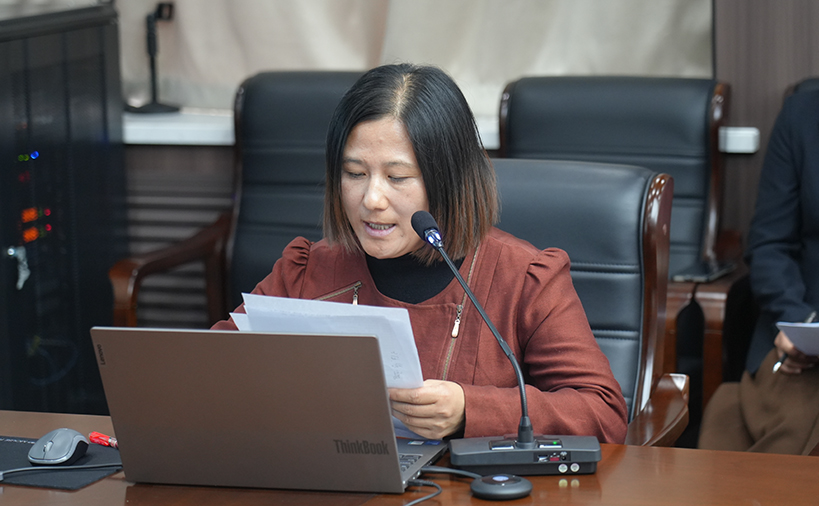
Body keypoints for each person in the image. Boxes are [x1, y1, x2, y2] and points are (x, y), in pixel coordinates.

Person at [212, 63, 627, 443]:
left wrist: (471, 409)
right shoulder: (306, 270)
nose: (371, 199)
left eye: (397, 177)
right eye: (355, 173)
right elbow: (208, 372)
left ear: (449, 180)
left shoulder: (525, 278)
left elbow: (604, 414)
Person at [698, 70, 819, 454]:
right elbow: (770, 243)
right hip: (807, 332)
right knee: (768, 440)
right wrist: (800, 323)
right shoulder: (802, 115)